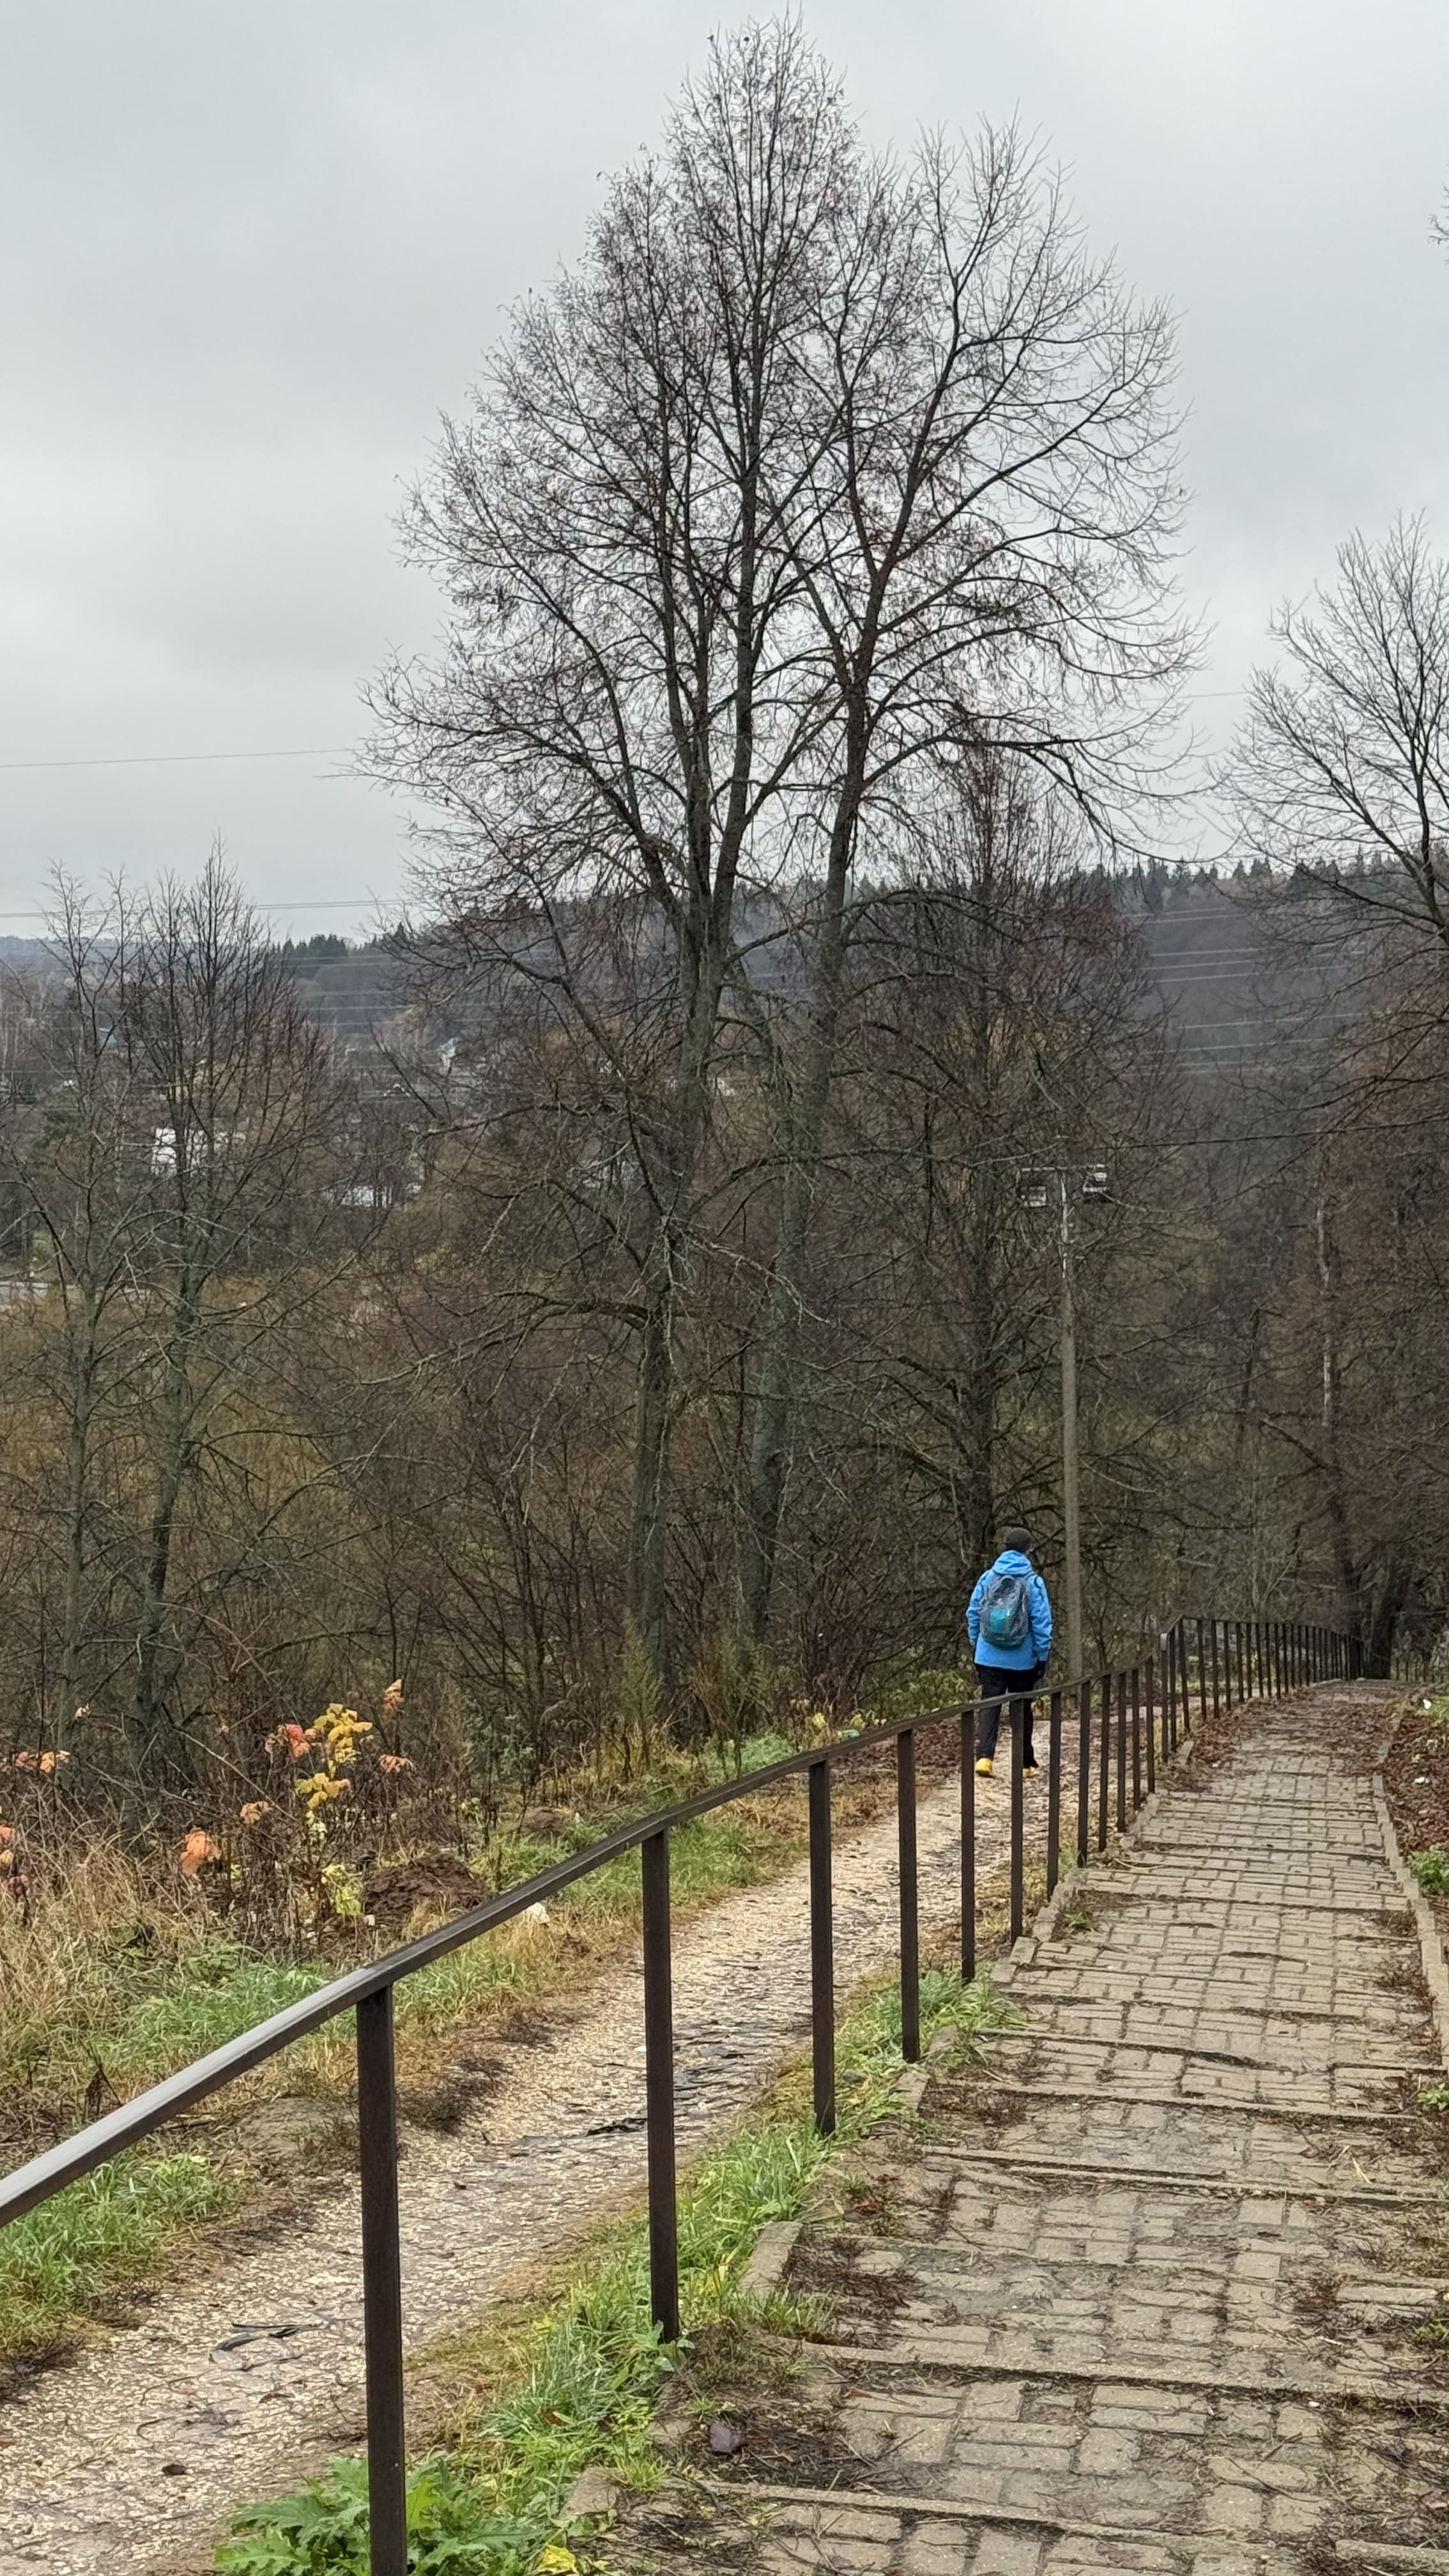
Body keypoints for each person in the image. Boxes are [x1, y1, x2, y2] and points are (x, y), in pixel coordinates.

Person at [967, 1528, 1053, 1778]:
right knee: (1022, 1706)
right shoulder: (1033, 1581)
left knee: (990, 1703)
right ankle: (1024, 1764)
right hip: (1022, 1658)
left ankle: (984, 1757)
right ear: (1029, 1550)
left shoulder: (987, 1578)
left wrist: (979, 1644)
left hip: (987, 1655)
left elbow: (973, 1612)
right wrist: (1041, 1655)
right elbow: (1041, 1623)